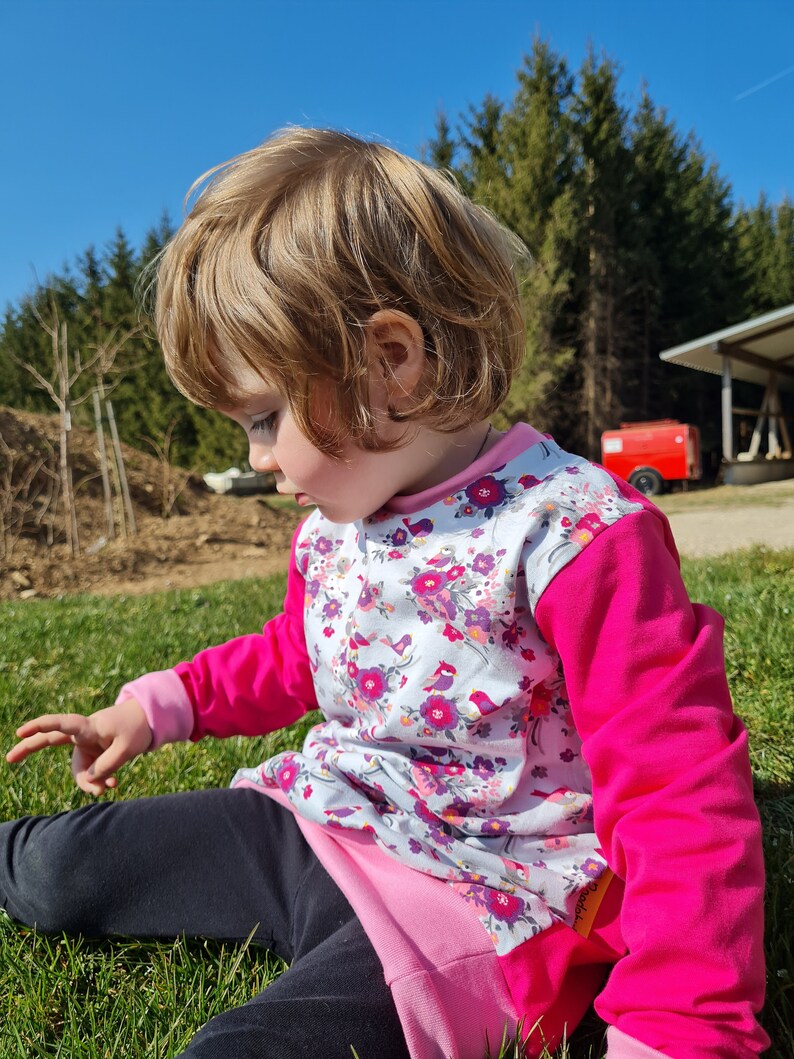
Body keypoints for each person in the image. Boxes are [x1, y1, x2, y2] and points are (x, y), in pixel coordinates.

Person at [3, 128, 768, 1059]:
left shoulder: (573, 533)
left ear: (390, 361)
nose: (256, 459)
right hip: (319, 817)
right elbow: (297, 653)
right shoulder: (334, 531)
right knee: (57, 864)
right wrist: (154, 706)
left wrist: (680, 1025)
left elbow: (679, 788)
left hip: (475, 893)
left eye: (265, 418)